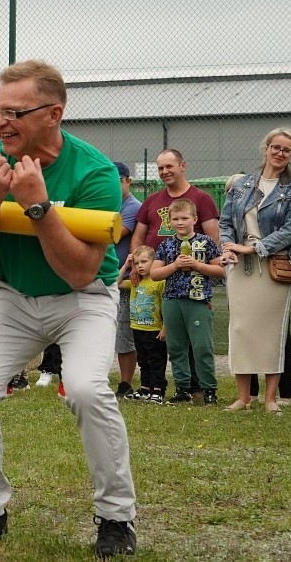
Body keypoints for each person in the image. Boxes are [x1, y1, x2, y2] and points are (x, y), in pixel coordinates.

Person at [0, 60, 137, 556]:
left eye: (13, 112)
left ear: (53, 113)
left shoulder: (94, 172)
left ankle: (116, 518)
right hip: (11, 295)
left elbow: (80, 272)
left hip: (84, 299)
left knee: (89, 391)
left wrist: (37, 206)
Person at [218, 127, 291, 414]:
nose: (280, 153)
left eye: (287, 150)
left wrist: (256, 248)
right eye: (276, 147)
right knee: (241, 329)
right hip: (239, 266)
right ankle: (244, 398)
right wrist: (229, 245)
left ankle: (270, 398)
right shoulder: (242, 184)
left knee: (272, 332)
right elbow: (225, 221)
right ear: (266, 148)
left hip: (273, 265)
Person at [129, 147, 219, 399]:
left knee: (199, 343)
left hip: (195, 288)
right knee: (169, 341)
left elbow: (214, 241)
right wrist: (136, 266)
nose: (165, 172)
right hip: (159, 282)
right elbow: (139, 234)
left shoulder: (201, 198)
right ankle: (178, 386)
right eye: (160, 168)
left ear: (182, 165)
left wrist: (202, 269)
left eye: (169, 166)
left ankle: (202, 387)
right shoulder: (152, 201)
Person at [149, 199, 224, 405]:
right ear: (169, 222)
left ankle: (209, 389)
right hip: (172, 301)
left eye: (184, 218)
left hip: (198, 301)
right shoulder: (166, 245)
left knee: (202, 347)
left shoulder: (206, 242)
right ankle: (182, 388)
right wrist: (174, 266)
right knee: (176, 347)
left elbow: (221, 270)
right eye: (175, 219)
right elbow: (154, 274)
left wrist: (197, 265)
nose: (180, 222)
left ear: (195, 219)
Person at [111, 161, 142, 397]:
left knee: (124, 333)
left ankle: (125, 382)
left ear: (128, 181)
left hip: (122, 280)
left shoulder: (132, 207)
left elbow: (113, 235)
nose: (113, 184)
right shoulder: (105, 202)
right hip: (102, 276)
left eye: (118, 180)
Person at [121, 246, 167, 403]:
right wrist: (127, 266)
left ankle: (158, 390)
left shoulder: (159, 282)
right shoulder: (134, 282)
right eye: (137, 263)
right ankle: (145, 388)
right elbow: (115, 283)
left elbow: (166, 305)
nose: (140, 266)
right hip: (137, 328)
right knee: (143, 360)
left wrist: (165, 327)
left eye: (144, 262)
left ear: (154, 262)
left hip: (154, 329)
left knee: (155, 360)